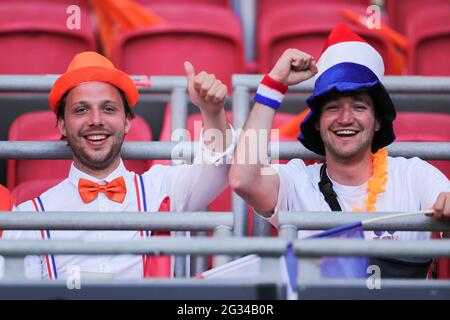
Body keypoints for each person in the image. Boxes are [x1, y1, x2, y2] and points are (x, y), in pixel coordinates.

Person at [230, 24, 450, 278]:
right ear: (316, 121)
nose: (345, 118)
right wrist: (273, 86)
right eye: (333, 107)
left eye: (358, 107)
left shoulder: (413, 175)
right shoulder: (298, 181)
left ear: (378, 120)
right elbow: (243, 179)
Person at [3, 51, 235, 280]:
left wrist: (212, 113)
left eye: (108, 108)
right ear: (62, 125)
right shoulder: (29, 217)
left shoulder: (161, 188)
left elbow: (220, 166)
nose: (96, 120)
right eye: (81, 109)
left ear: (127, 122)